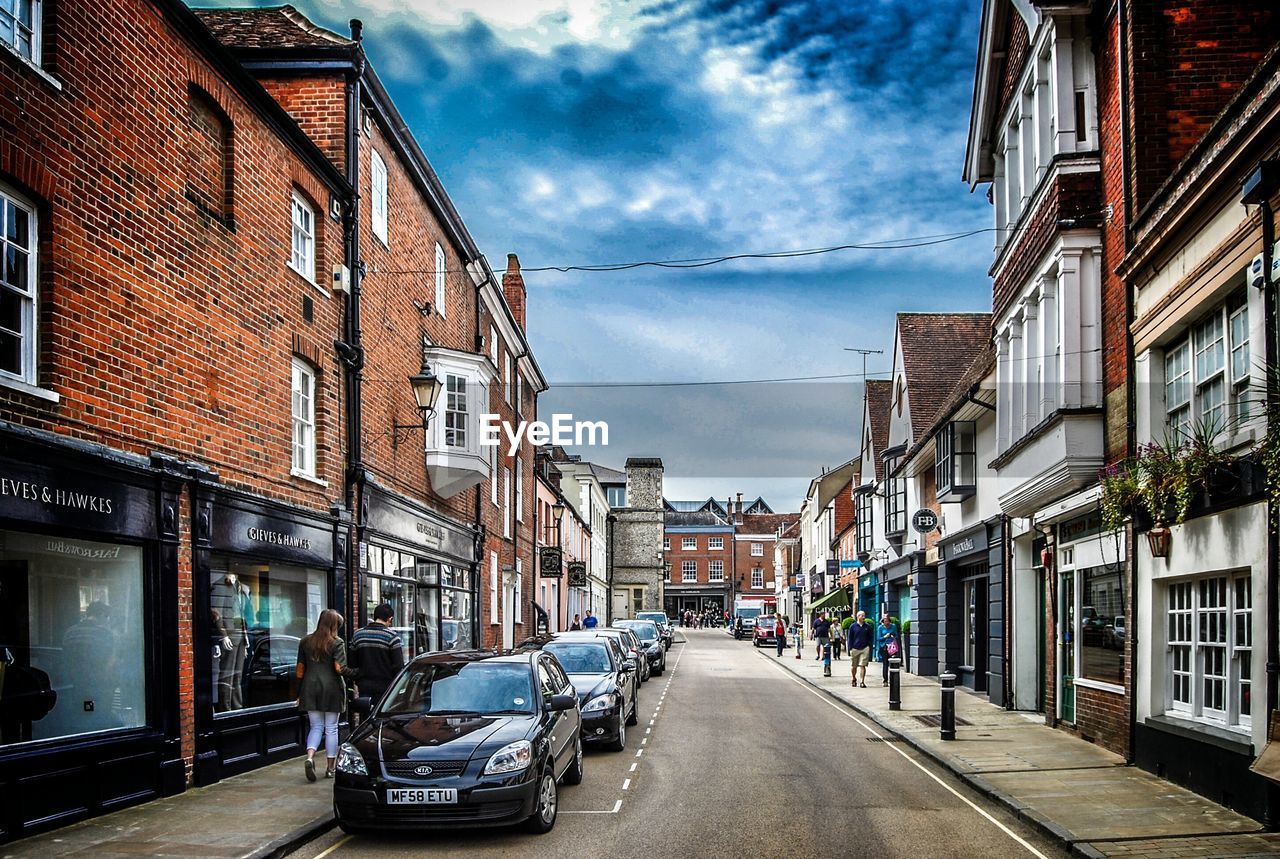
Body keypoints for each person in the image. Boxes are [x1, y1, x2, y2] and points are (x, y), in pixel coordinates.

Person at [296, 609, 357, 782]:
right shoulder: (336, 642)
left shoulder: (305, 641)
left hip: (309, 687)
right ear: (333, 625)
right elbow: (339, 668)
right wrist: (356, 673)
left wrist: (298, 692)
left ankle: (309, 757)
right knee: (331, 728)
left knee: (315, 726)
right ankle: (330, 768)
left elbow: (300, 669)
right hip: (331, 688)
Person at [348, 603, 403, 708]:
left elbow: (352, 662)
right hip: (386, 686)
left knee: (365, 714)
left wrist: (358, 678)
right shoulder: (392, 637)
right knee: (381, 716)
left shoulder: (358, 635)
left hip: (364, 685)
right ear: (389, 619)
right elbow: (398, 666)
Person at [846, 611, 874, 688]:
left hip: (865, 648)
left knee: (863, 665)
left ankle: (862, 681)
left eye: (864, 615)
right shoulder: (853, 626)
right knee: (854, 666)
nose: (863, 617)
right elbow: (850, 638)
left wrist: (869, 646)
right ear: (858, 616)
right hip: (855, 648)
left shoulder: (867, 626)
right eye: (862, 616)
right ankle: (854, 678)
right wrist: (850, 649)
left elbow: (870, 637)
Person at [877, 614, 900, 687]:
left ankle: (893, 680)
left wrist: (892, 636)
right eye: (884, 621)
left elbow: (897, 635)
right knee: (885, 664)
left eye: (887, 621)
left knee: (893, 664)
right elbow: (878, 638)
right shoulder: (880, 628)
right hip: (884, 647)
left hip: (892, 647)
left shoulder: (893, 626)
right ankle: (885, 680)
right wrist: (885, 636)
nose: (886, 622)